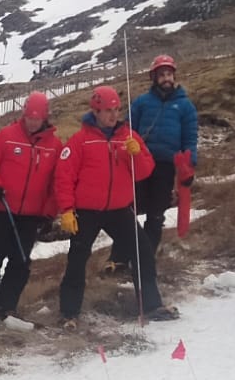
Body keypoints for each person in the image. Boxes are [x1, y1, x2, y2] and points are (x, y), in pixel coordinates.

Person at [54, 86, 173, 324]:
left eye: (116, 109)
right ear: (96, 111)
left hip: (119, 209)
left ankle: (151, 305)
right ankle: (69, 313)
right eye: (108, 110)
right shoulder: (80, 141)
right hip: (87, 211)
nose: (113, 115)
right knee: (77, 259)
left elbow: (144, 172)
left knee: (143, 252)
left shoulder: (128, 137)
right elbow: (63, 176)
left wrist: (136, 154)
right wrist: (66, 210)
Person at [0, 91, 60, 326]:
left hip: (31, 216)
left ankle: (7, 307)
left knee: (20, 263)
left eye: (37, 117)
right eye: (29, 117)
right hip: (2, 210)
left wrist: (49, 212)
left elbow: (56, 183)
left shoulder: (54, 145)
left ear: (45, 117)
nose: (32, 122)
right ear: (24, 115)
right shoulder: (7, 135)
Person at [114, 56, 199, 271]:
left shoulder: (186, 106)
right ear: (154, 77)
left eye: (169, 74)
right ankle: (118, 259)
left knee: (156, 214)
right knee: (127, 211)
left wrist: (190, 165)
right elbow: (126, 128)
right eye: (161, 74)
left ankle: (145, 260)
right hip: (140, 161)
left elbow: (190, 138)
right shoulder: (142, 102)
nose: (166, 78)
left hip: (165, 165)